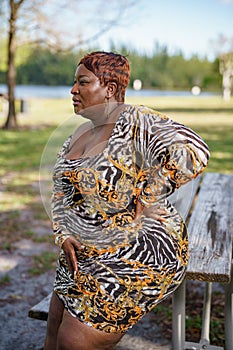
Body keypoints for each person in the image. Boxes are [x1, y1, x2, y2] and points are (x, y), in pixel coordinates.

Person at [43, 51, 209, 350]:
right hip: (90, 248)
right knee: (53, 324)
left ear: (109, 88)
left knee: (73, 340)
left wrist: (148, 194)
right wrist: (63, 232)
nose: (73, 90)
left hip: (139, 249)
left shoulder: (136, 120)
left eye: (82, 82)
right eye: (74, 82)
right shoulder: (80, 132)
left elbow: (195, 149)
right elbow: (60, 190)